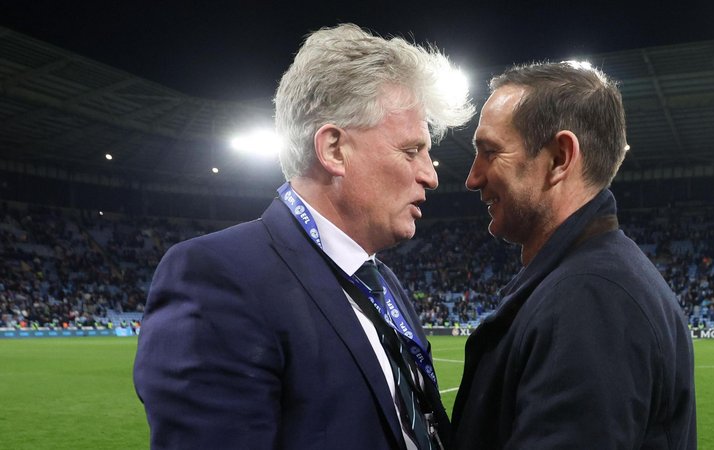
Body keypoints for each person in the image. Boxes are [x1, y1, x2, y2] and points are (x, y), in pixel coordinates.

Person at [133, 24, 473, 450]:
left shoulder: (383, 284)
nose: (432, 175)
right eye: (411, 150)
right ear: (333, 149)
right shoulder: (219, 276)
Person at [450, 61, 696, 449]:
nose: (472, 177)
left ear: (560, 158)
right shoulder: (593, 277)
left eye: (490, 152)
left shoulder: (591, 298)